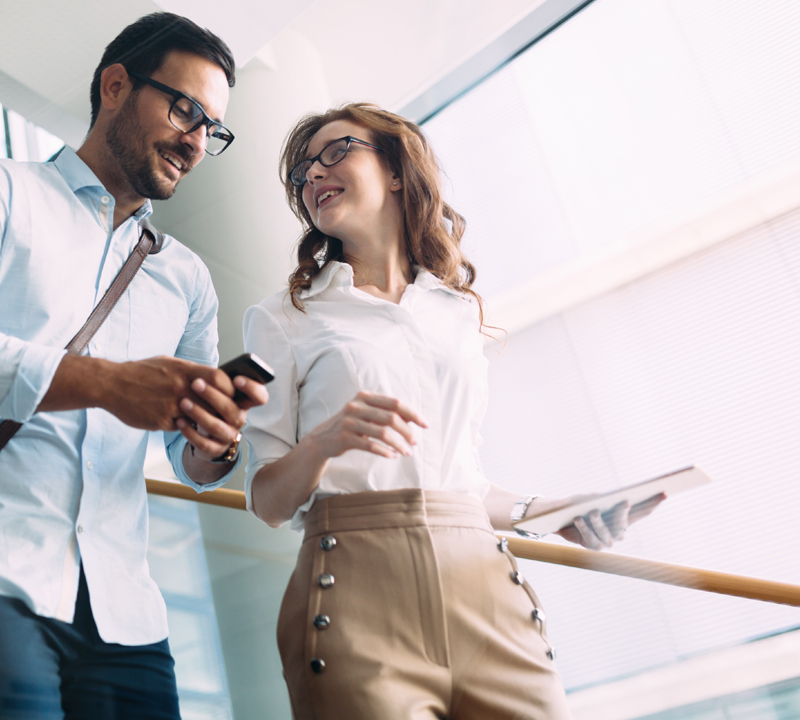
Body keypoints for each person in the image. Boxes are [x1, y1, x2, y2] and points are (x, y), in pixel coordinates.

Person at [0, 13, 268, 720]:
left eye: (210, 129)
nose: (195, 141)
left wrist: (217, 441)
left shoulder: (186, 279)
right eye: (184, 109)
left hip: (126, 613)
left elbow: (189, 460)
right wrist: (110, 385)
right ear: (116, 85)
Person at [240, 103, 665, 719]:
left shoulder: (456, 312)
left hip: (484, 588)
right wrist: (325, 442)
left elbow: (459, 480)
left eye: (336, 152)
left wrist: (555, 515)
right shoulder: (282, 317)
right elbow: (266, 500)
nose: (314, 174)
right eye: (303, 169)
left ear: (394, 170)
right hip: (355, 593)